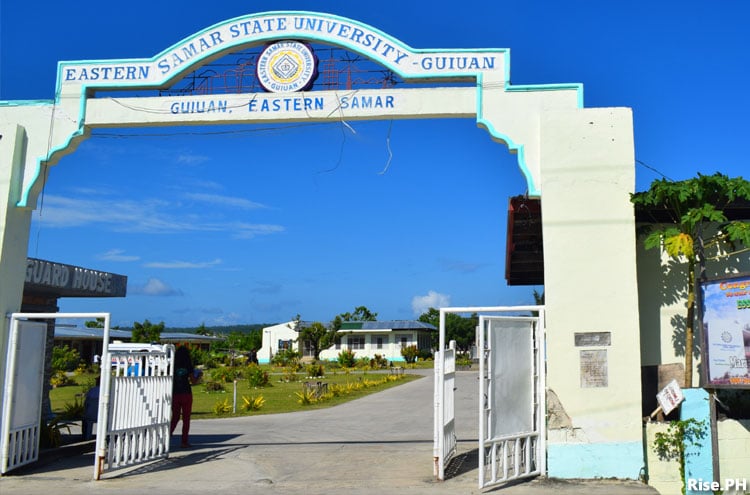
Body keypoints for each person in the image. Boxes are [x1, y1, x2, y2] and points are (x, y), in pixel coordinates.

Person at [170, 346, 197, 448]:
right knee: (186, 419)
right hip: (186, 393)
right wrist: (199, 376)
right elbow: (193, 381)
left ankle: (168, 434)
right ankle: (184, 441)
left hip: (175, 393)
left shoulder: (172, 365)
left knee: (175, 417)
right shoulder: (188, 366)